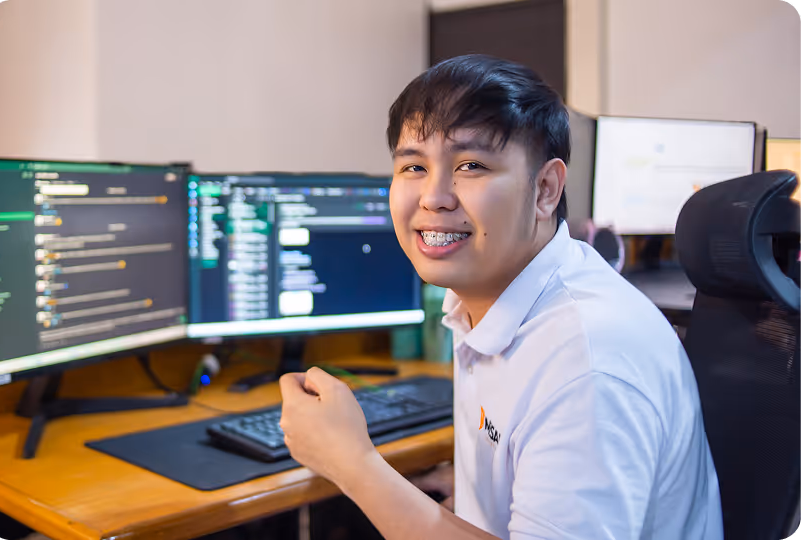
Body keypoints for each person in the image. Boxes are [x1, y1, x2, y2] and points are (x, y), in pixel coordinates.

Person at [278, 55, 723, 540]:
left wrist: (354, 465)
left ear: (545, 190)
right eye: (413, 166)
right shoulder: (481, 300)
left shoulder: (588, 360)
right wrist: (496, 490)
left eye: (471, 165)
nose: (433, 197)